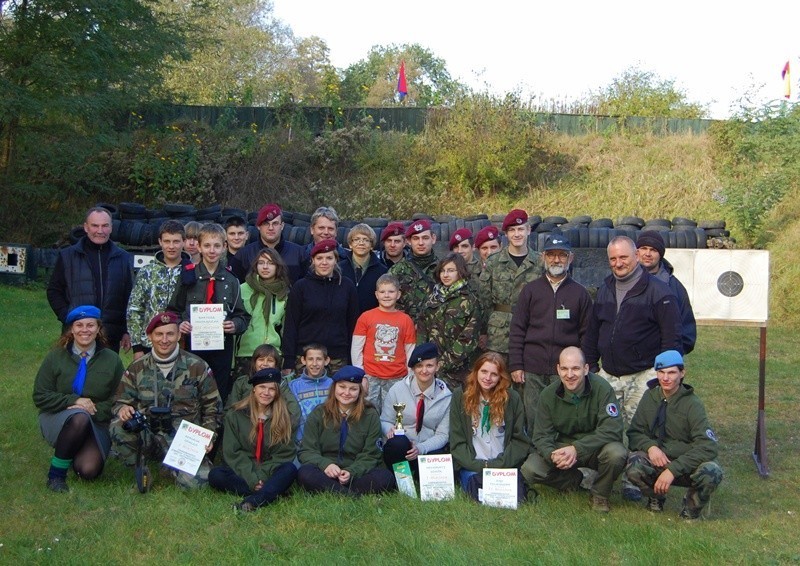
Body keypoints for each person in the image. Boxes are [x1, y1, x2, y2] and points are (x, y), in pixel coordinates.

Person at [110, 312, 222, 488]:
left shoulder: (197, 366)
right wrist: (122, 409)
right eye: (159, 334)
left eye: (170, 334)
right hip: (148, 432)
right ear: (150, 337)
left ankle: (172, 466)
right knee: (118, 427)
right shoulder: (137, 367)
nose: (164, 340)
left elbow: (213, 407)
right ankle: (140, 467)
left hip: (183, 436)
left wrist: (209, 436)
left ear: (179, 335)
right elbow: (120, 401)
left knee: (197, 484)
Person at [582, 235, 682, 426]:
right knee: (606, 429)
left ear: (636, 256)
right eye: (613, 259)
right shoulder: (605, 289)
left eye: (623, 257)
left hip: (643, 375)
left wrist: (662, 375)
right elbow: (593, 332)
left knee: (641, 431)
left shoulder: (659, 292)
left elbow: (672, 339)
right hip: (608, 375)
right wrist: (592, 368)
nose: (618, 263)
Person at [521, 347, 627, 513]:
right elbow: (541, 436)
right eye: (564, 369)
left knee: (616, 453)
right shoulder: (548, 395)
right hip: (562, 448)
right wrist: (552, 455)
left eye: (575, 368)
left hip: (593, 448)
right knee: (530, 469)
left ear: (585, 369)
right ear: (558, 369)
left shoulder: (602, 389)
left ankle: (600, 494)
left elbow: (612, 429)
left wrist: (577, 449)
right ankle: (571, 481)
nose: (569, 375)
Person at [33, 305, 124, 492]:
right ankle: (56, 475)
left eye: (90, 325)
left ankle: (73, 448)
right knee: (79, 417)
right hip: (57, 417)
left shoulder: (112, 359)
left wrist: (94, 409)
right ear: (71, 329)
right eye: (79, 325)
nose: (85, 330)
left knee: (88, 471)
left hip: (97, 420)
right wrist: (73, 402)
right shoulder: (55, 357)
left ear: (98, 329)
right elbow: (40, 395)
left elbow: (119, 397)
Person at [625, 350, 723, 519]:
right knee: (634, 466)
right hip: (658, 460)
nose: (665, 378)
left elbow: (708, 446)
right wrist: (651, 448)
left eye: (671, 373)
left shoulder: (693, 404)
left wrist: (673, 470)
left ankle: (691, 508)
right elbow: (635, 432)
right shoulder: (650, 396)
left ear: (682, 373)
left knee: (711, 472)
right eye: (661, 372)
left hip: (685, 463)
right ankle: (656, 496)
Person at [508, 235, 593, 430]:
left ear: (570, 258)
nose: (556, 260)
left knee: (565, 417)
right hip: (532, 369)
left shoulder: (580, 293)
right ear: (543, 257)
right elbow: (518, 329)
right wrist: (516, 365)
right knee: (533, 418)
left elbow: (587, 334)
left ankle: (563, 455)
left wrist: (585, 367)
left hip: (565, 371)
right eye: (552, 255)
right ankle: (536, 456)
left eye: (561, 255)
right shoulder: (530, 291)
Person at [168, 223, 250, 404]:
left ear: (224, 247)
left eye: (217, 246)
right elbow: (173, 311)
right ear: (198, 246)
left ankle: (215, 430)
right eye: (207, 245)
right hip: (192, 347)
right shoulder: (188, 277)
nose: (212, 250)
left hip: (221, 348)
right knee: (190, 391)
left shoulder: (231, 280)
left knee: (218, 393)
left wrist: (234, 325)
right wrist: (180, 323)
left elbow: (242, 316)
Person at [209, 368, 298, 512]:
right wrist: (253, 479)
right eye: (262, 387)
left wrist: (261, 476)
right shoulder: (235, 415)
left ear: (277, 393)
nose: (266, 393)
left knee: (289, 470)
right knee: (216, 475)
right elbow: (233, 452)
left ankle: (253, 501)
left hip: (270, 471)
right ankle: (271, 492)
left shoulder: (284, 417)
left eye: (271, 389)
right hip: (244, 472)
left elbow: (283, 454)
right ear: (254, 389)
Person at [297, 366, 396, 496]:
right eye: (342, 387)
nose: (346, 393)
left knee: (385, 478)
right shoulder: (319, 413)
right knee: (305, 473)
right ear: (334, 388)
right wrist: (326, 465)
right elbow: (307, 451)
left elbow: (372, 454)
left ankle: (336, 492)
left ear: (360, 391)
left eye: (353, 389)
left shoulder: (370, 415)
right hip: (325, 472)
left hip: (356, 473)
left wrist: (351, 472)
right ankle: (350, 495)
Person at [46, 207, 134, 352]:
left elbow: (129, 297)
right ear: (86, 227)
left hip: (110, 335)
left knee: (105, 374)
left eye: (105, 226)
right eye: (95, 225)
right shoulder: (68, 256)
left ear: (111, 228)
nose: (100, 230)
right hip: (77, 334)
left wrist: (126, 330)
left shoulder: (122, 258)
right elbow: (54, 291)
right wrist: (69, 317)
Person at [450, 352, 529, 504]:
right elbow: (457, 440)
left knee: (509, 499)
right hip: (473, 466)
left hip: (503, 466)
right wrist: (479, 465)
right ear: (476, 372)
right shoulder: (460, 396)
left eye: (494, 374)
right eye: (484, 372)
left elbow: (520, 441)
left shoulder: (512, 398)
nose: (487, 378)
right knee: (476, 495)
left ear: (501, 377)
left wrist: (498, 465)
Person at [282, 239, 359, 375]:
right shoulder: (301, 287)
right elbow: (291, 325)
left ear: (336, 260)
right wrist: (288, 360)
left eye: (329, 258)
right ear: (312, 260)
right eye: (319, 258)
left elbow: (352, 325)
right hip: (307, 357)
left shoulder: (347, 286)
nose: (324, 262)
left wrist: (353, 359)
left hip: (338, 358)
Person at [381, 343, 452, 475]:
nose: (424, 371)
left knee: (439, 459)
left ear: (437, 366)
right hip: (402, 446)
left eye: (429, 365)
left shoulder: (446, 396)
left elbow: (443, 435)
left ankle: (420, 476)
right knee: (397, 444)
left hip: (427, 447)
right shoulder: (397, 389)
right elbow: (385, 420)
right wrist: (388, 429)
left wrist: (420, 448)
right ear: (413, 368)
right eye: (419, 366)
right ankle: (400, 477)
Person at [478, 209, 542, 357]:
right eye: (512, 230)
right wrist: (483, 331)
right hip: (499, 334)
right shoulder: (493, 261)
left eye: (520, 229)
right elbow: (484, 300)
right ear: (506, 234)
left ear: (528, 230)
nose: (517, 234)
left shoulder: (540, 262)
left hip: (531, 331)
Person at [127, 220, 190, 360]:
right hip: (150, 342)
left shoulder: (193, 271)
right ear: (160, 242)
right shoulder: (147, 271)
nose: (171, 246)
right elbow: (135, 309)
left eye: (176, 241)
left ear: (184, 242)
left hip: (183, 342)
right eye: (167, 241)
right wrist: (136, 347)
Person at [417, 252, 481, 390]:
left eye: (451, 271)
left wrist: (443, 363)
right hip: (429, 368)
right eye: (443, 271)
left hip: (457, 372)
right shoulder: (432, 298)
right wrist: (424, 360)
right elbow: (422, 330)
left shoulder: (469, 300)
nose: (445, 275)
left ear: (460, 272)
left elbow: (468, 339)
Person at [352, 273, 416, 408]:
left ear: (398, 294)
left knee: (394, 414)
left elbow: (410, 350)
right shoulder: (366, 317)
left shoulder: (406, 320)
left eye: (391, 292)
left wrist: (410, 378)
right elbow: (357, 348)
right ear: (376, 294)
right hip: (370, 376)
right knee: (368, 412)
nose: (386, 295)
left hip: (397, 377)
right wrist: (360, 375)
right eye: (382, 292)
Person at [636, 230, 697, 354]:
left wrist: (670, 356)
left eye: (653, 250)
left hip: (661, 364)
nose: (647, 253)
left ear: (661, 254)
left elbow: (687, 333)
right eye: (644, 248)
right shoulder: (622, 283)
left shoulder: (674, 287)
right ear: (636, 252)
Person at [234, 247, 290, 374]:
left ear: (278, 266)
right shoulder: (242, 289)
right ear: (255, 266)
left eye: (271, 263)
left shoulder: (284, 292)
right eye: (261, 263)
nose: (265, 267)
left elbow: (286, 329)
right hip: (246, 353)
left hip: (273, 354)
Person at [235, 204, 305, 284]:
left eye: (275, 223)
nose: (271, 228)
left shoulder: (300, 254)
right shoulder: (243, 255)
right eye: (266, 224)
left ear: (282, 226)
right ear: (258, 226)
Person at [389, 219, 439, 324]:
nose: (421, 243)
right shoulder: (397, 271)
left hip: (436, 331)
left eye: (425, 238)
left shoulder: (444, 269)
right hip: (405, 330)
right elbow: (387, 304)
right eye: (416, 238)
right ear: (408, 241)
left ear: (433, 239)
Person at [287, 344, 333, 445]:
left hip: (328, 441)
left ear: (326, 361)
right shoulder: (293, 386)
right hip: (302, 441)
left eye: (319, 359)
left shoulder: (333, 384)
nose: (314, 363)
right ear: (303, 360)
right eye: (310, 359)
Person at [338, 223, 388, 315]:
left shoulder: (382, 271)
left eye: (366, 240)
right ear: (350, 244)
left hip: (371, 321)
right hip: (343, 322)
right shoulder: (339, 269)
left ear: (372, 245)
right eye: (356, 239)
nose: (361, 243)